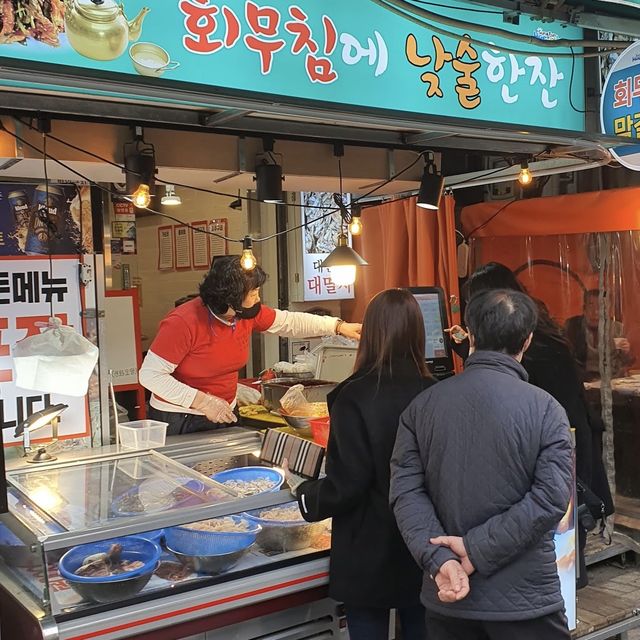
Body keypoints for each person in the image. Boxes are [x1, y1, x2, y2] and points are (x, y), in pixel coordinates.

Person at [391, 289, 574, 640]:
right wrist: (476, 550)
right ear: (528, 340)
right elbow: (552, 498)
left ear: (470, 335)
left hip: (448, 597)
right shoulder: (547, 409)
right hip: (526, 602)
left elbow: (406, 494)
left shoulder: (421, 407)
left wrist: (439, 559)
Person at [448, 263, 614, 588]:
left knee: (555, 543)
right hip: (570, 440)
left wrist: (469, 351)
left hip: (555, 447)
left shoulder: (531, 349)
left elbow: (504, 383)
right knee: (563, 544)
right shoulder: (541, 332)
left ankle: (560, 610)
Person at [285, 289, 436, 640]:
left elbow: (347, 484)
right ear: (418, 332)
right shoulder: (436, 391)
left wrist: (305, 494)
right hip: (423, 545)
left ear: (370, 333)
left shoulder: (354, 395)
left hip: (369, 550)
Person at [139, 256, 361, 435]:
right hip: (180, 417)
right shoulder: (183, 322)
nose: (258, 298)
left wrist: (338, 326)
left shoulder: (244, 314)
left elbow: (288, 322)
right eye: (253, 293)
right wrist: (203, 401)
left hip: (225, 410)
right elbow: (150, 375)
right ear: (229, 299)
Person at [564, 288, 634, 381]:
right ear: (584, 309)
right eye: (591, 306)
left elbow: (627, 362)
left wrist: (626, 352)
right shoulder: (573, 326)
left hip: (612, 380)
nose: (596, 312)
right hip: (583, 380)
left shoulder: (617, 328)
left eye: (601, 307)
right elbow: (568, 359)